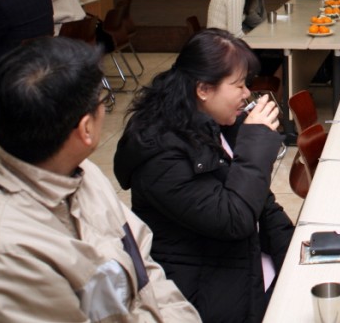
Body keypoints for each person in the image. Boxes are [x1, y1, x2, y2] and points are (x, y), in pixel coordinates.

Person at [0, 37, 200, 322]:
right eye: (102, 101)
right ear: (86, 129)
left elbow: (144, 267)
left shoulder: (81, 172)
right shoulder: (0, 257)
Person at [114, 28, 295, 323]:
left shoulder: (217, 122)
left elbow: (262, 204)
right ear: (203, 90)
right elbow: (234, 219)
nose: (247, 94)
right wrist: (254, 147)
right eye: (238, 85)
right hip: (203, 295)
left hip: (245, 265)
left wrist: (296, 259)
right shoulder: (160, 155)